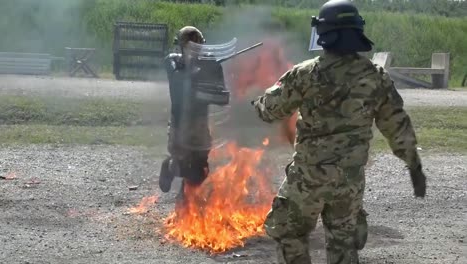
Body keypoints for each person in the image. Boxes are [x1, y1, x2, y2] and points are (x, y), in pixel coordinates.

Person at [250, 0, 427, 263]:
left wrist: (258, 102)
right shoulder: (376, 76)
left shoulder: (305, 73)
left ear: (323, 34)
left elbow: (270, 110)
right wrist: (414, 166)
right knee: (343, 245)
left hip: (309, 177)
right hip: (349, 180)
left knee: (288, 232)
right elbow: (396, 124)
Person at [159, 26, 212, 200]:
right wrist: (195, 68)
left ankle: (187, 195)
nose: (194, 52)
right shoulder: (172, 61)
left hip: (200, 123)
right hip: (179, 122)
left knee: (200, 168)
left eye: (197, 48)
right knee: (181, 161)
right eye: (190, 48)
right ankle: (169, 167)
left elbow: (219, 93)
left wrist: (209, 68)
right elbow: (177, 77)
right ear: (180, 47)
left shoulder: (206, 65)